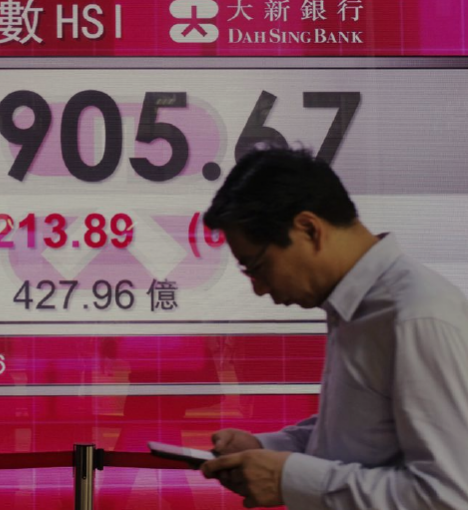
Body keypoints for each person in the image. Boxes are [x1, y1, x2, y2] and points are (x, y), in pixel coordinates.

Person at [198, 147, 468, 509]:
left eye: (258, 266)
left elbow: (450, 496)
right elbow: (366, 434)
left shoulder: (416, 316)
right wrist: (268, 448)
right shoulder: (357, 307)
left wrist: (289, 479)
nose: (259, 288)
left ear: (309, 229)